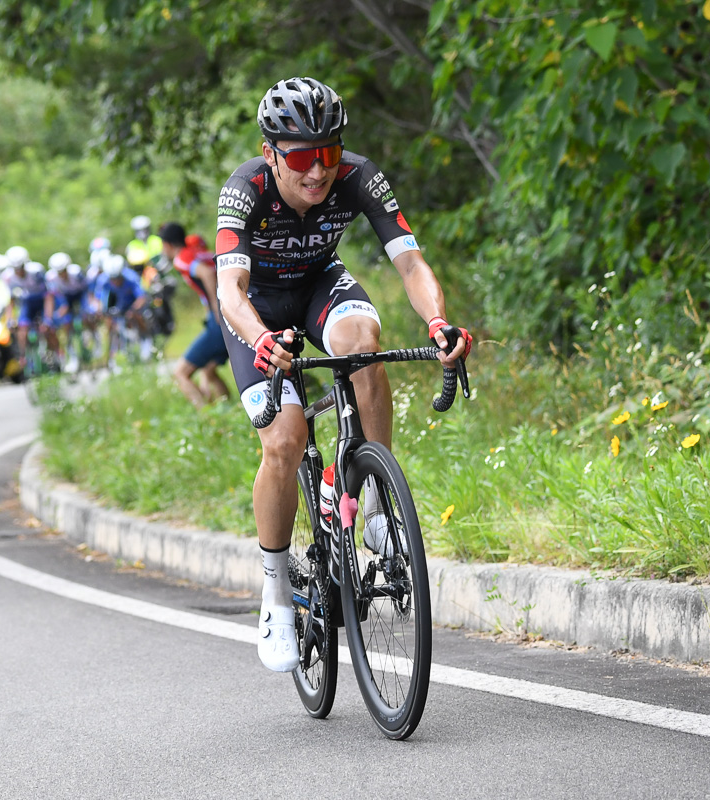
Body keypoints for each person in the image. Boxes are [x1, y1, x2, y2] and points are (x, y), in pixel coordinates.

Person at [214, 76, 471, 673]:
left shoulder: (358, 176)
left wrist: (438, 322)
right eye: (301, 158)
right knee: (285, 438)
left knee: (363, 345)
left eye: (328, 154)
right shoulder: (244, 188)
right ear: (271, 151)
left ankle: (374, 501)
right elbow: (229, 288)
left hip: (317, 287)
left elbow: (410, 261)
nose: (318, 172)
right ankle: (276, 591)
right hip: (254, 311)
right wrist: (259, 339)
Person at [158, 223, 231, 408]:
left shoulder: (181, 258)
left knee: (181, 373)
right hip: (228, 314)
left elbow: (206, 273)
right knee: (208, 371)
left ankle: (207, 415)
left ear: (167, 245)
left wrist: (216, 308)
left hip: (221, 318)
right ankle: (230, 410)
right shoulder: (198, 251)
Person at [94, 252, 151, 365]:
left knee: (136, 316)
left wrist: (133, 310)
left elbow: (141, 297)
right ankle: (112, 352)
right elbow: (99, 299)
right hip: (118, 303)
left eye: (118, 278)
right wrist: (101, 311)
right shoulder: (103, 280)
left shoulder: (131, 277)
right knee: (109, 322)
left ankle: (146, 340)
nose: (115, 281)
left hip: (132, 302)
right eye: (112, 279)